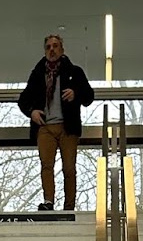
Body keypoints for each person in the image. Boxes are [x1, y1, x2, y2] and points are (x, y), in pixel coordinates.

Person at [17, 33, 94, 212]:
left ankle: (69, 206)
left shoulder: (75, 72)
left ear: (62, 49)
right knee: (46, 165)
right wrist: (32, 112)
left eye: (55, 46)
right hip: (45, 126)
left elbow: (89, 96)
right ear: (45, 51)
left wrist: (76, 93)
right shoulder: (37, 74)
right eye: (48, 47)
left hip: (68, 127)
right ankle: (49, 202)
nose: (52, 49)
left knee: (68, 167)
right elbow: (23, 100)